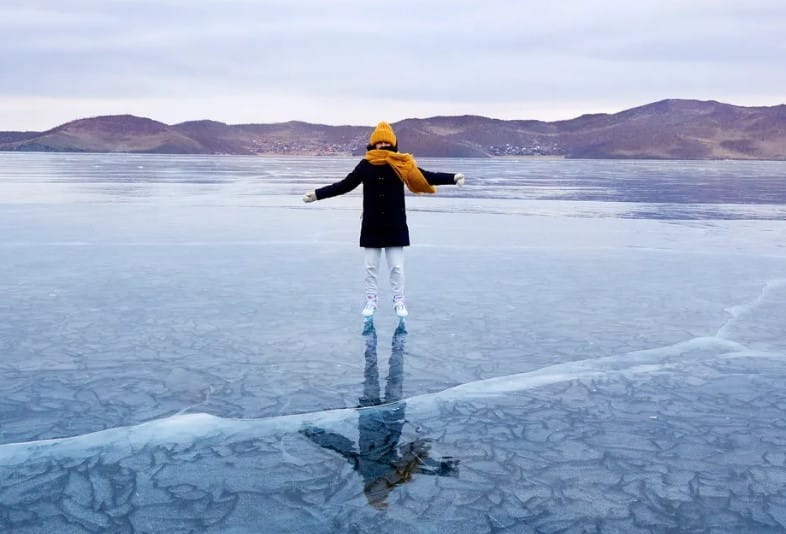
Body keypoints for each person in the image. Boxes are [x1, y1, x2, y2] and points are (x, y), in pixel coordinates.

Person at [302, 121, 465, 318]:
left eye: (387, 143)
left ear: (393, 145)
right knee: (370, 267)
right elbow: (344, 185)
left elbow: (426, 176)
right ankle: (371, 300)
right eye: (379, 143)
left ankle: (399, 300)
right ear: (373, 145)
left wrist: (453, 177)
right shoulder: (365, 166)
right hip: (372, 224)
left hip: (395, 224)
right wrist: (318, 194)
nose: (383, 147)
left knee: (396, 267)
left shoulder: (401, 164)